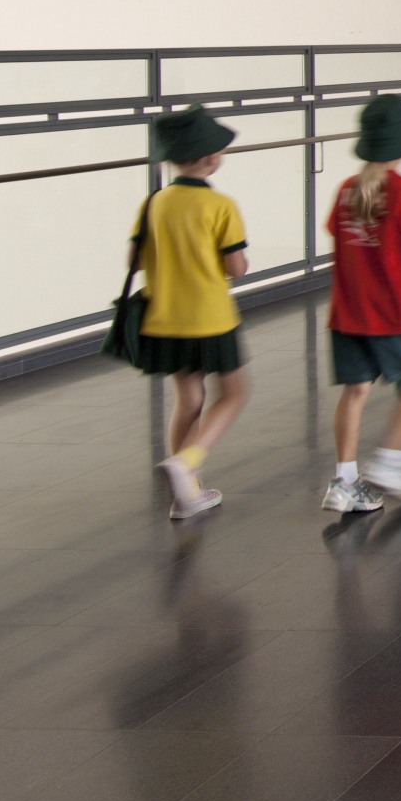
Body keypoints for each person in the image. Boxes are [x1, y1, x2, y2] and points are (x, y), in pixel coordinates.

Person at [320, 97, 401, 513]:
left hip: (346, 310)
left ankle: (344, 480)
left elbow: (340, 237)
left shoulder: (346, 191)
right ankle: (393, 460)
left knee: (356, 390)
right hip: (393, 310)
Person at [128, 106, 252, 520]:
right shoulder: (221, 205)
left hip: (165, 317)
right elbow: (236, 267)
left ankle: (188, 494)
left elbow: (135, 257)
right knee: (233, 394)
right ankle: (187, 462)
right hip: (211, 317)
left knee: (189, 398)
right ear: (212, 158)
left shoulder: (154, 203)